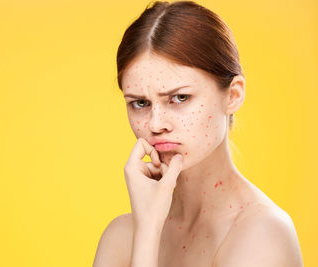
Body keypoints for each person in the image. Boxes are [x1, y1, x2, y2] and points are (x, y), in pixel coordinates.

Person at [93, 1, 303, 266]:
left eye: (180, 97)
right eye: (140, 103)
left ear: (233, 95)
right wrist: (146, 231)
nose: (156, 124)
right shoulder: (121, 235)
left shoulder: (264, 232)